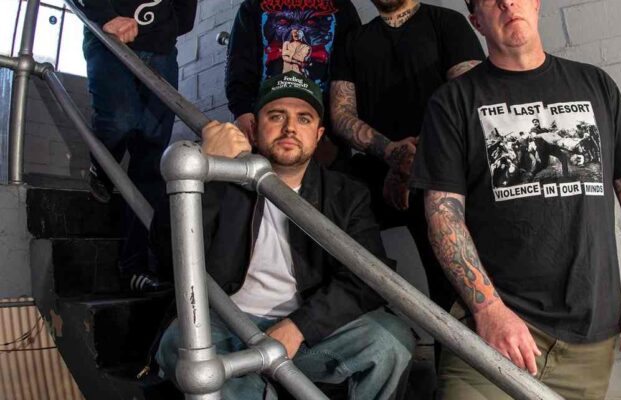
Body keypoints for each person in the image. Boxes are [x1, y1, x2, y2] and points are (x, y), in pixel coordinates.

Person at [411, 0, 621, 398]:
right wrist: (489, 310)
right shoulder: (453, 102)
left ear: (536, 4)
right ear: (477, 21)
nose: (507, 3)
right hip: (491, 334)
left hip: (587, 340)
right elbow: (443, 216)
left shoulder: (595, 85)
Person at [153, 72, 415, 400]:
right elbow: (166, 256)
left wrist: (300, 326)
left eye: (303, 119)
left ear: (318, 135)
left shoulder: (346, 195)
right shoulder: (221, 180)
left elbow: (370, 279)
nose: (290, 128)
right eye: (276, 116)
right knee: (178, 343)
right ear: (253, 128)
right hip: (226, 327)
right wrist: (207, 171)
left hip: (306, 332)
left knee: (391, 341)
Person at [330, 0, 485, 313]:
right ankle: (367, 328)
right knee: (328, 218)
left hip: (442, 168)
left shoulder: (446, 22)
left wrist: (413, 162)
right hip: (379, 168)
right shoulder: (353, 41)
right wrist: (391, 153)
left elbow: (470, 98)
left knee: (452, 281)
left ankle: (457, 335)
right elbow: (341, 114)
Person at [74, 0, 196, 292]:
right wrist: (106, 16)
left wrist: (162, 31)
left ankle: (136, 265)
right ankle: (102, 169)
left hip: (161, 52)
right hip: (107, 36)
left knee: (153, 158)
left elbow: (186, 17)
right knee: (120, 120)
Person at [226, 0, 360, 168]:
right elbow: (238, 63)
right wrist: (242, 111)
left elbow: (354, 69)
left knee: (328, 183)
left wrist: (337, 134)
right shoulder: (253, 5)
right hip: (266, 129)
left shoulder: (341, 5)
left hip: (326, 136)